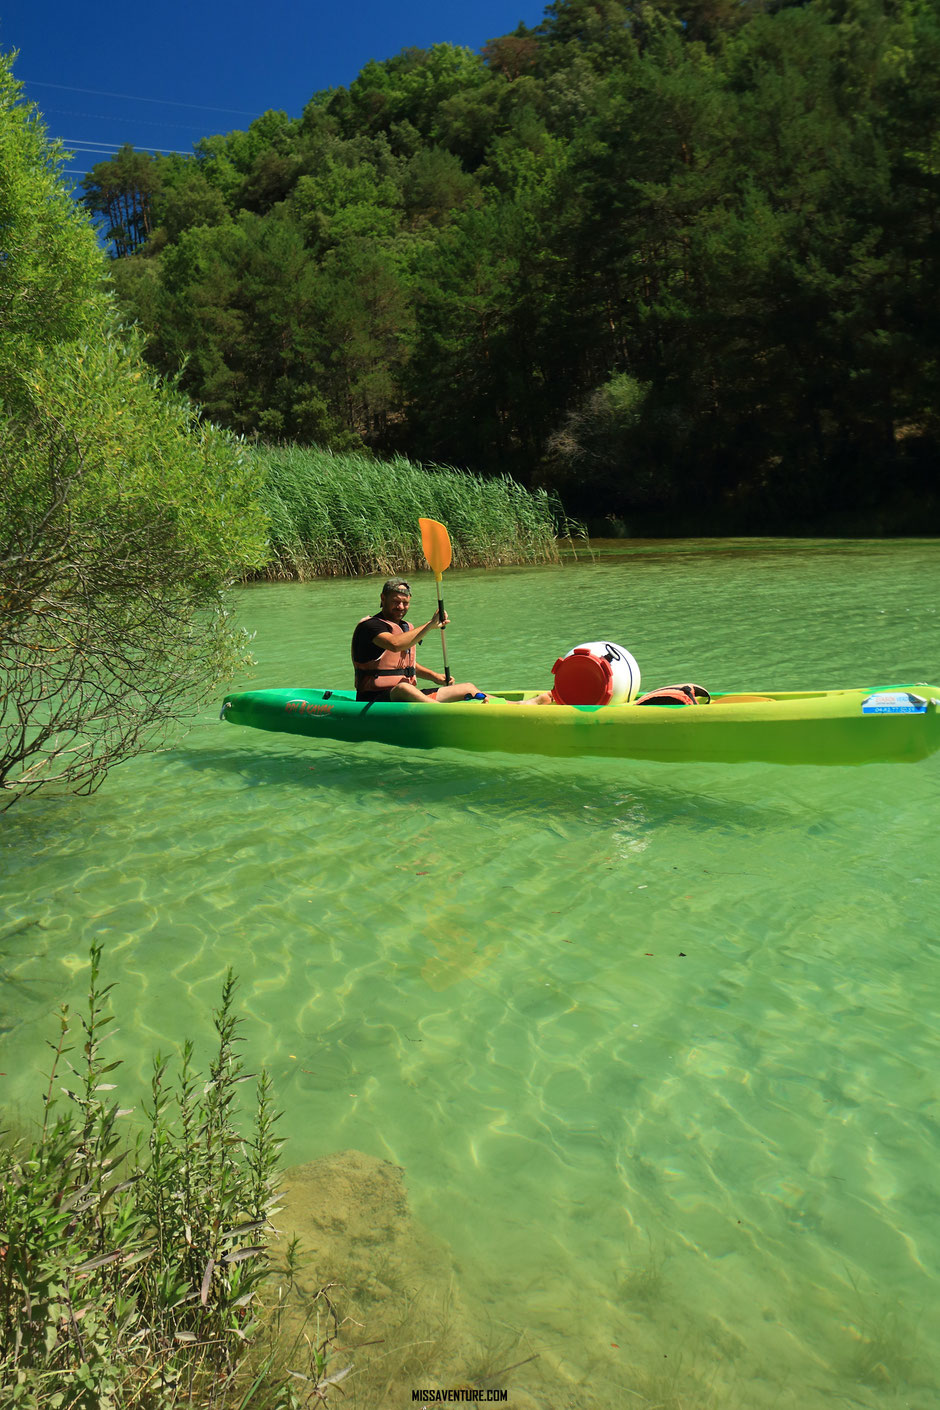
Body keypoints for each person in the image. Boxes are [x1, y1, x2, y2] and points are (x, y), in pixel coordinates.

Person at [352, 579, 553, 704]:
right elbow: (395, 645)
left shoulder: (406, 627)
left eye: (405, 602)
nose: (401, 606)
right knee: (405, 688)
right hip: (375, 700)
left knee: (468, 687)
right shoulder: (371, 626)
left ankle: (516, 706)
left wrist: (435, 677)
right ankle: (440, 713)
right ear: (383, 598)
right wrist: (431, 624)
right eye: (396, 601)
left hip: (408, 695)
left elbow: (405, 663)